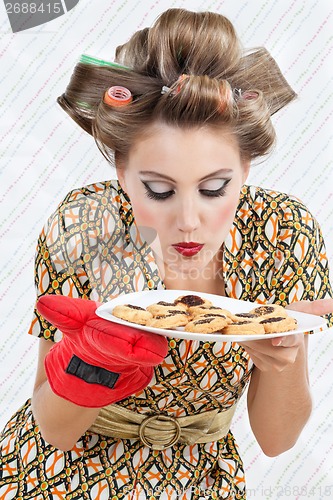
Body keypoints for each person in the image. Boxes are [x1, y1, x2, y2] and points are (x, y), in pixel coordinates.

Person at [1, 7, 332, 500]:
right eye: (158, 190)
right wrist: (90, 362)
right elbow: (55, 431)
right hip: (60, 476)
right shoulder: (86, 224)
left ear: (244, 169)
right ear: (121, 173)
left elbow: (277, 440)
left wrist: (283, 355)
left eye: (215, 187)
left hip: (202, 480)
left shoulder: (284, 231)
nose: (189, 220)